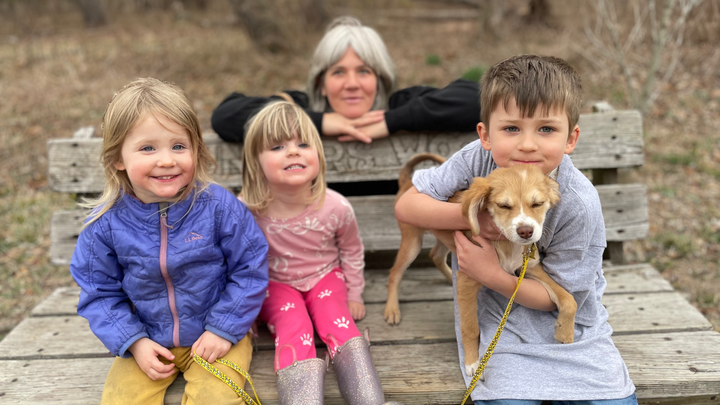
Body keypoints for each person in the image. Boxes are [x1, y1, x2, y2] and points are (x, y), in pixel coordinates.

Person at [395, 55, 638, 404]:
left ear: (571, 138)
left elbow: (560, 297)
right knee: (508, 396)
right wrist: (477, 219)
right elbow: (407, 206)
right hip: (499, 323)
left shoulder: (579, 202)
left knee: (609, 397)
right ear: (485, 135)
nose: (527, 145)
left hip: (570, 327)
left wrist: (491, 274)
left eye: (546, 129)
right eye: (511, 128)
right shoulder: (475, 159)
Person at [69, 77, 269, 405]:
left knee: (216, 399)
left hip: (216, 335)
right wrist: (134, 342)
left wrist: (223, 328)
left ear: (195, 150)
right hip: (147, 339)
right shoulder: (105, 223)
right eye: (148, 148)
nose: (166, 160)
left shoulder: (219, 207)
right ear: (118, 157)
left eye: (178, 146)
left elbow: (250, 268)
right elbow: (98, 291)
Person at [241, 100, 400, 405]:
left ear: (318, 154)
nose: (293, 151)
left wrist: (355, 292)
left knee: (337, 320)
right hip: (275, 285)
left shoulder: (335, 206)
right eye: (277, 147)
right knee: (294, 326)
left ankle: (369, 399)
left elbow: (351, 250)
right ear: (255, 162)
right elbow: (237, 264)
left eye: (303, 144)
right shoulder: (246, 212)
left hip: (325, 278)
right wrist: (244, 311)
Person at [211, 16, 480, 144]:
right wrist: (318, 122)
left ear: (380, 79)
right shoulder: (301, 105)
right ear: (321, 84)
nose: (352, 83)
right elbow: (226, 116)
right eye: (338, 72)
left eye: (364, 71)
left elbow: (479, 100)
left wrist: (391, 121)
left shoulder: (401, 103)